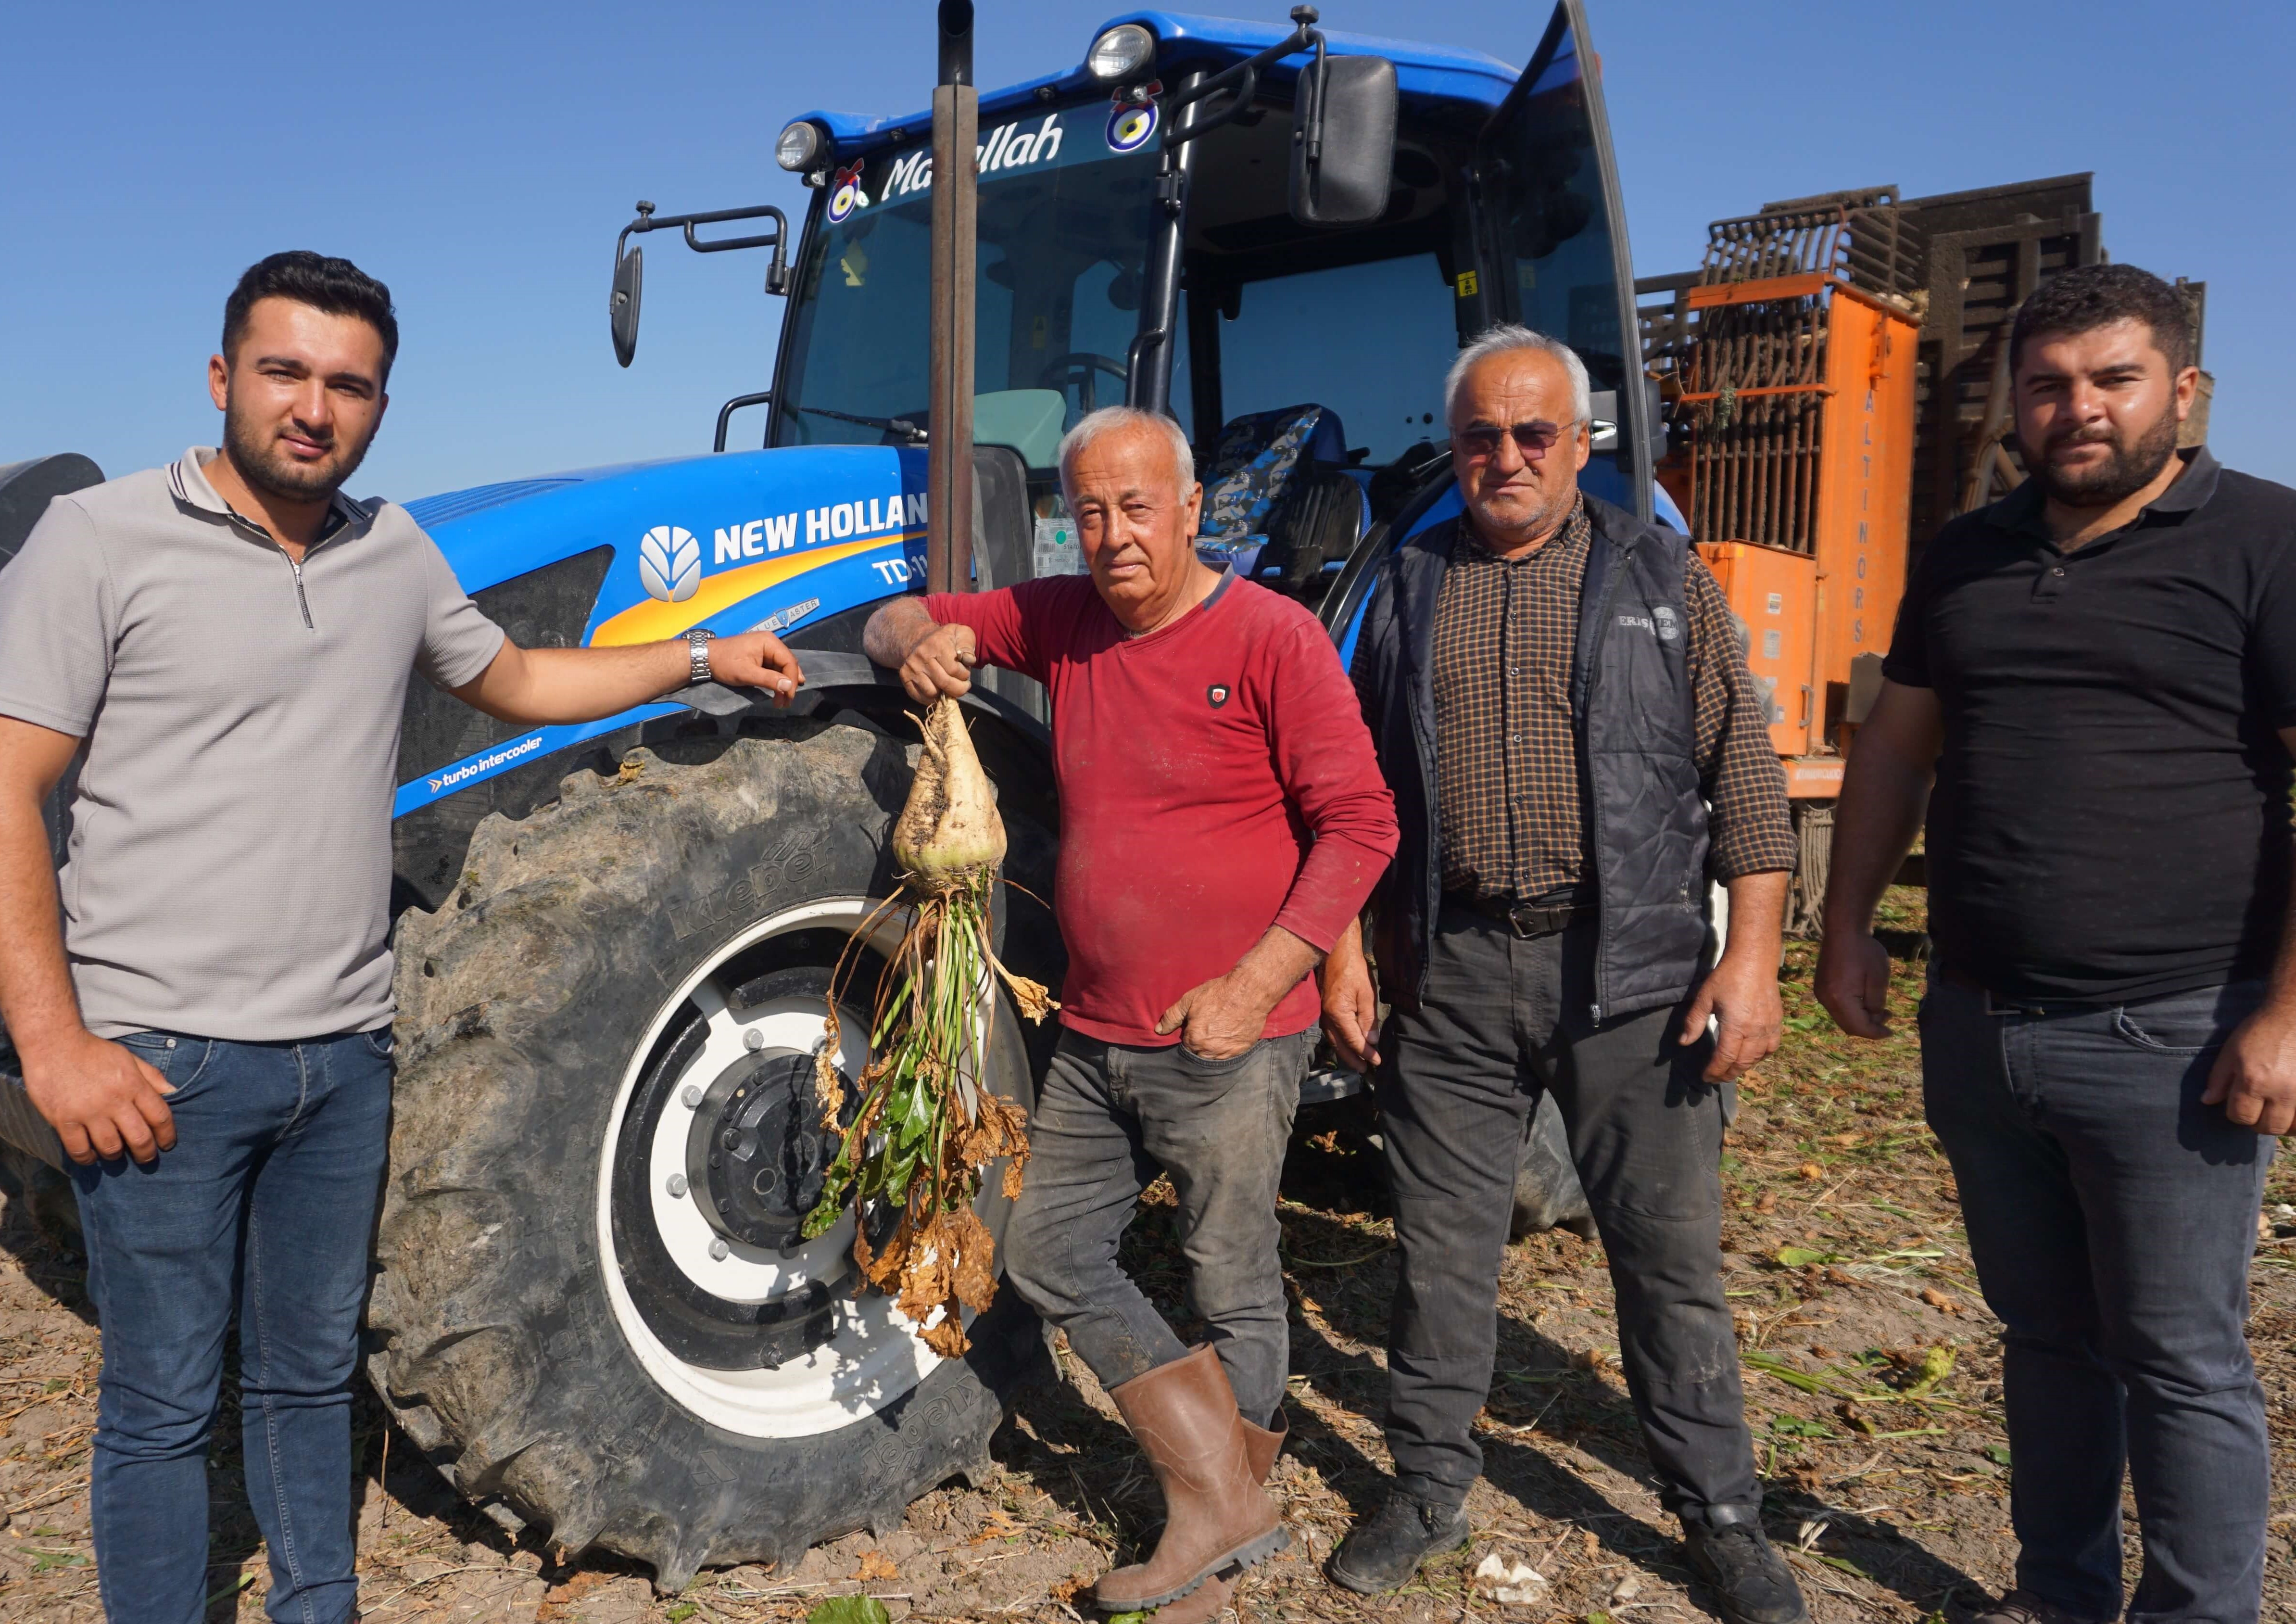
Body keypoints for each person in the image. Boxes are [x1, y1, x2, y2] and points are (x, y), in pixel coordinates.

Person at [0, 251, 805, 1624]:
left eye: (348, 385)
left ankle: (319, 1605)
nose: (313, 407)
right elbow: (13, 779)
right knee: (159, 1404)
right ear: (223, 379)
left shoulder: (391, 552)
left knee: (309, 1380)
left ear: (378, 405)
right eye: (285, 372)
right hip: (163, 1063)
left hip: (341, 1060)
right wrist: (57, 1043)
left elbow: (520, 677)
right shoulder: (102, 537)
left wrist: (697, 655)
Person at [1815, 263, 2292, 1624]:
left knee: (2178, 1355)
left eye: (2111, 379)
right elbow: (1895, 748)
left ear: (2181, 391)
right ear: (2012, 407)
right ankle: (2060, 1595)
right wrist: (1844, 927)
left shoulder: (2263, 539)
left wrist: (2284, 1015)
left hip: (2174, 1031)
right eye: (2046, 385)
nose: (2075, 409)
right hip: (1978, 1024)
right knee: (2044, 1342)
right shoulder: (1965, 553)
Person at [862, 405, 1397, 1619]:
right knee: (1047, 1246)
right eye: (1090, 511)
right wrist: (909, 641)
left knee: (1229, 1277)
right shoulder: (1061, 618)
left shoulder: (1272, 637)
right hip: (1099, 1030)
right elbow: (910, 613)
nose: (1113, 536)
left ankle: (1215, 1517)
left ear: (1195, 510)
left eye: (1137, 507)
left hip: (1229, 1034)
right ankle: (1227, 1507)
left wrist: (1257, 982)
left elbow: (1361, 824)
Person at [1325, 326, 1807, 1624]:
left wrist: (1751, 957)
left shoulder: (1656, 574)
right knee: (1438, 1259)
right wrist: (1343, 948)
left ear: (1578, 446)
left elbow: (1743, 775)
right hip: (1455, 969)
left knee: (1664, 1262)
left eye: (1532, 434)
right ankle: (1425, 1495)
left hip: (1632, 968)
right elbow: (1347, 792)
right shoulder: (1407, 582)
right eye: (1478, 435)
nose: (1504, 458)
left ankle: (1720, 1522)